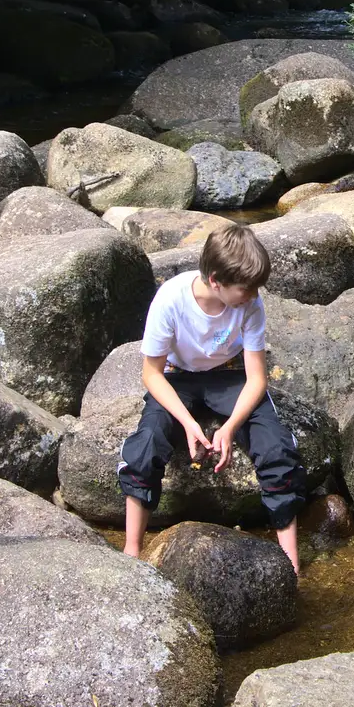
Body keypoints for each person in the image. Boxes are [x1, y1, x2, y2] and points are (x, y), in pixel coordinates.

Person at [117, 225, 307, 573]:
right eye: (246, 289)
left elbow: (257, 379)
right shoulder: (171, 300)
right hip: (178, 375)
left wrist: (231, 427)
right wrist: (188, 424)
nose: (252, 295)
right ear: (216, 280)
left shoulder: (250, 305)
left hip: (230, 373)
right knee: (147, 442)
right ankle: (132, 549)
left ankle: (290, 561)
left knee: (275, 446)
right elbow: (151, 374)